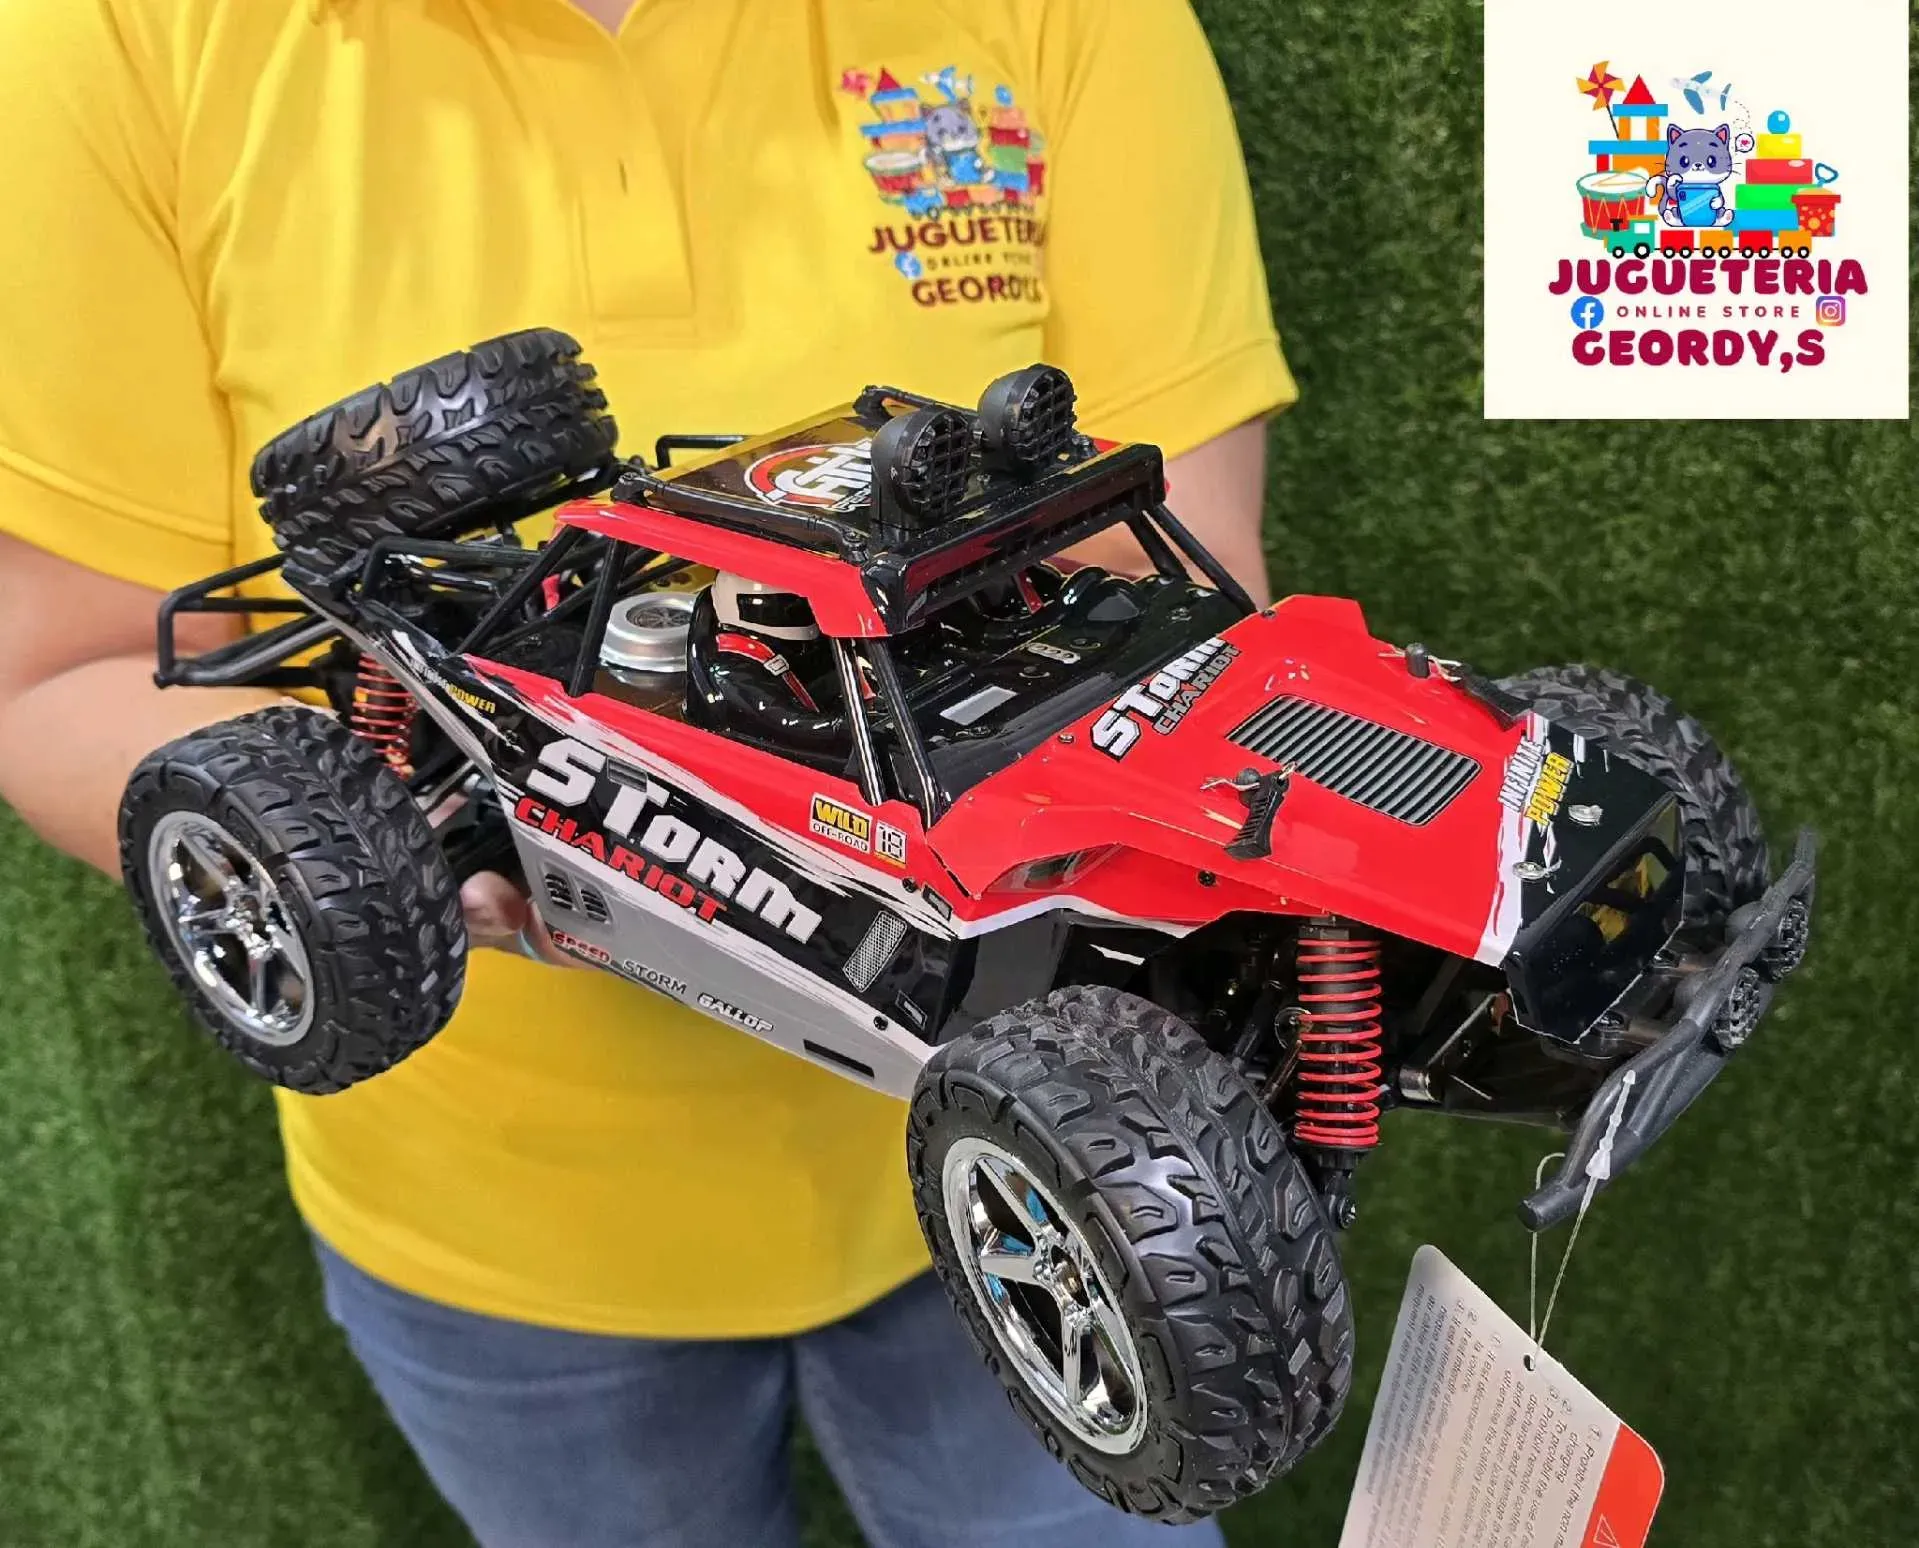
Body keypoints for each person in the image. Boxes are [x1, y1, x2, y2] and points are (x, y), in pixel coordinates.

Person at [0, 2, 1298, 1544]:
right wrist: (392, 855)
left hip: (1069, 1149)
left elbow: (1183, 596)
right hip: (500, 1238)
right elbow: (59, 674)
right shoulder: (120, 39)